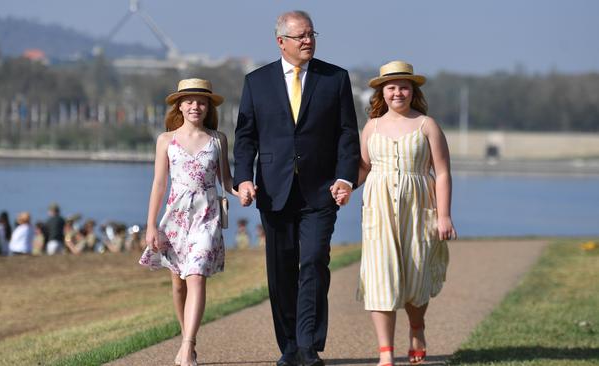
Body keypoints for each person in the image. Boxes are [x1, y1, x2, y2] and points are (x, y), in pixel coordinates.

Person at [233, 10, 360, 366]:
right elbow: (245, 138)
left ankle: (309, 344)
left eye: (311, 34)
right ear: (281, 42)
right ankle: (289, 346)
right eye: (300, 36)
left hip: (321, 190)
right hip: (274, 190)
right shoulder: (256, 82)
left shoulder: (335, 79)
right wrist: (243, 178)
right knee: (281, 269)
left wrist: (345, 177)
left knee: (315, 260)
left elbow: (348, 134)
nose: (308, 41)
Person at [350, 60, 456, 366]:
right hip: (378, 210)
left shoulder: (427, 125)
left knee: (416, 276)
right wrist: (345, 187)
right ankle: (385, 353)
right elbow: (363, 169)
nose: (398, 92)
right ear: (382, 92)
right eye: (392, 87)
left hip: (419, 207)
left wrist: (445, 215)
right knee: (380, 277)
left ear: (413, 90)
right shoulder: (372, 126)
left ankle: (417, 328)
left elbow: (444, 172)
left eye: (404, 86)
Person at [139, 78, 237, 366]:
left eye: (201, 101)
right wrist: (151, 225)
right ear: (179, 105)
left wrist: (243, 189)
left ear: (208, 107)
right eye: (190, 101)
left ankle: (187, 345)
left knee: (196, 276)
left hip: (207, 216)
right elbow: (158, 184)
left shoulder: (218, 139)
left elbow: (226, 180)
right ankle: (187, 342)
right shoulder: (165, 140)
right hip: (175, 218)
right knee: (179, 284)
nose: (196, 106)